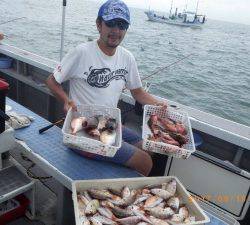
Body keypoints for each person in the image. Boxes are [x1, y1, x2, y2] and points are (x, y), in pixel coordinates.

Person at [46, 0, 167, 176]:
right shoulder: (81, 52)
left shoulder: (127, 58)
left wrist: (160, 105)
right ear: (98, 25)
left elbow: (138, 92)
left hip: (108, 123)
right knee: (145, 161)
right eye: (110, 23)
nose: (116, 31)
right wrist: (66, 100)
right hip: (82, 129)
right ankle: (129, 199)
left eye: (122, 25)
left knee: (149, 146)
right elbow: (51, 80)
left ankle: (118, 182)